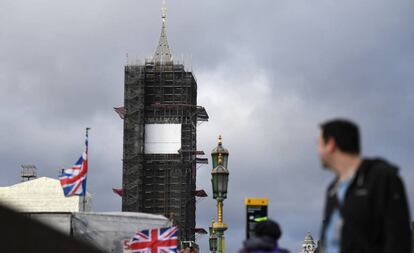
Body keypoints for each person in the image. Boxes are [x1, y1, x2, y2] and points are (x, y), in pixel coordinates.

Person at [317, 119, 412, 253]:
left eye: (319, 144)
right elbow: (328, 241)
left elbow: (398, 241)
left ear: (331, 144)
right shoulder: (332, 190)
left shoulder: (382, 178)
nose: (318, 151)